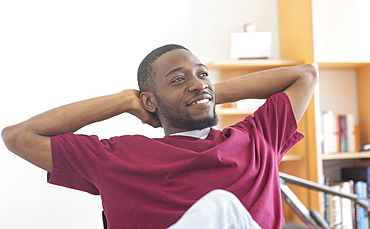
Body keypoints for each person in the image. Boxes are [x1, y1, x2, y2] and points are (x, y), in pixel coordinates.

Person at [2, 44, 318, 228]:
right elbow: (18, 136)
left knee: (223, 206)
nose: (197, 83)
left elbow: (305, 75)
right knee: (220, 205)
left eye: (203, 74)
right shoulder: (117, 156)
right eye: (178, 80)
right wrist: (126, 100)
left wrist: (205, 93)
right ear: (150, 101)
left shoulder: (257, 137)